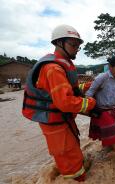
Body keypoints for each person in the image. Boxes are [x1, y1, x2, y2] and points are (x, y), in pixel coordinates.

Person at [22, 24, 96, 182]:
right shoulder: (53, 68)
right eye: (73, 44)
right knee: (70, 162)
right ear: (59, 43)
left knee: (72, 153)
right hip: (56, 124)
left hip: (61, 120)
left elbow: (67, 89)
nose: (77, 48)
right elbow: (65, 102)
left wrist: (88, 86)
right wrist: (90, 103)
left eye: (78, 46)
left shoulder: (61, 64)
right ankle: (76, 178)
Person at [86, 56, 115, 157]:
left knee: (110, 142)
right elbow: (89, 93)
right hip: (103, 113)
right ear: (110, 67)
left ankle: (105, 161)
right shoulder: (102, 77)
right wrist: (90, 108)